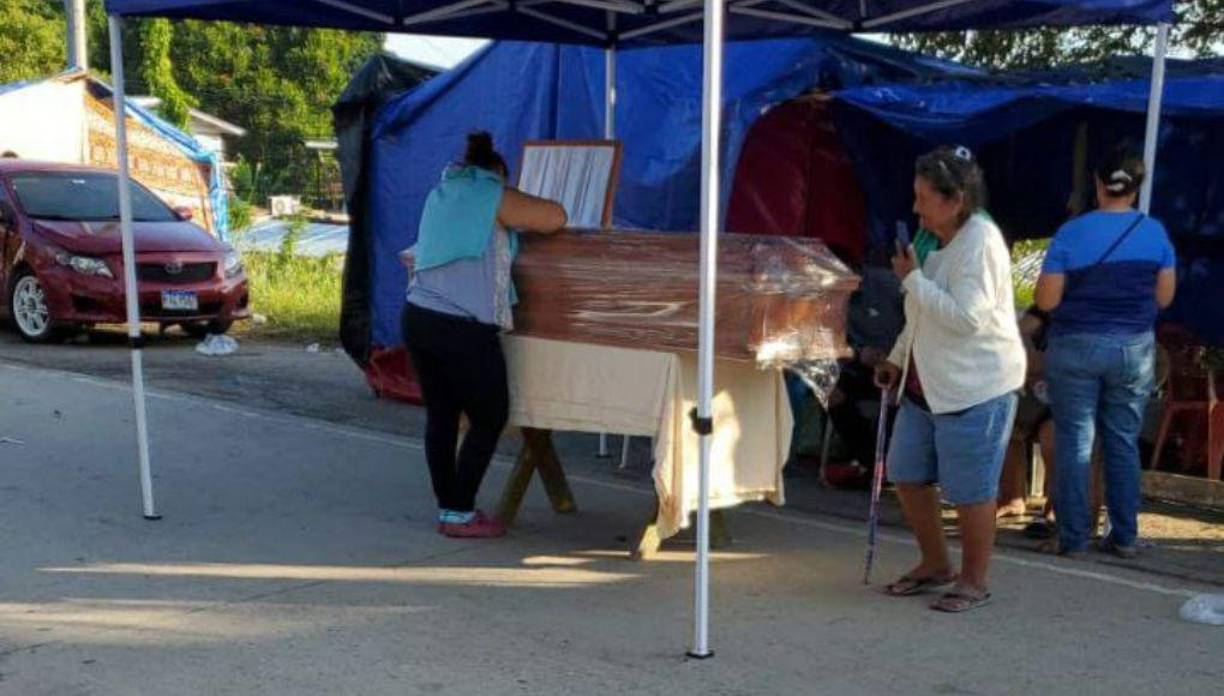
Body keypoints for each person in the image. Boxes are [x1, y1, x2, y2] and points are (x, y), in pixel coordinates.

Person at [875, 145, 1025, 612]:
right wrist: (898, 357)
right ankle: (936, 563)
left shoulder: (980, 242)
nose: (916, 207)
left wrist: (912, 280)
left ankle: (974, 579)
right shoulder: (929, 241)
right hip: (927, 382)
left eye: (924, 197)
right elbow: (917, 311)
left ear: (955, 199)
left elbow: (967, 319)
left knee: (971, 490)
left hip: (976, 384)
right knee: (906, 472)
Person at [401, 132, 567, 538]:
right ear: (495, 175)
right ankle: (459, 512)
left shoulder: (442, 192)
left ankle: (450, 508)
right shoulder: (491, 195)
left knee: (442, 415)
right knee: (490, 415)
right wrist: (513, 195)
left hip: (419, 315)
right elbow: (555, 217)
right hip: (460, 325)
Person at [1035, 145, 1177, 559]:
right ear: (1136, 188)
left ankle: (1074, 537)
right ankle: (1125, 536)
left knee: (1075, 441)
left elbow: (1045, 301)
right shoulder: (1155, 234)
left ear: (1098, 183)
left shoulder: (1071, 233)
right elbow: (1165, 297)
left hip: (1075, 346)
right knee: (1123, 441)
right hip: (1133, 349)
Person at [822, 253, 905, 488]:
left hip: (899, 364)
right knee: (829, 393)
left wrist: (895, 357)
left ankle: (887, 463)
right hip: (857, 364)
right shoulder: (829, 296)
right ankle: (873, 462)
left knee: (897, 397)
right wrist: (859, 353)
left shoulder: (890, 285)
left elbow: (916, 323)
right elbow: (828, 342)